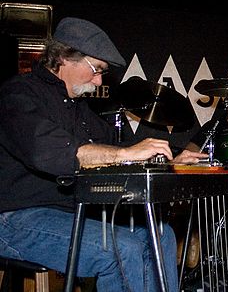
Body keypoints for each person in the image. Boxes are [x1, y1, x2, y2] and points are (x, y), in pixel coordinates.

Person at [0, 17, 207, 292]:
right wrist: (126, 153)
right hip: (16, 219)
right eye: (96, 69)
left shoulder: (79, 109)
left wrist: (172, 156)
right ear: (63, 57)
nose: (98, 81)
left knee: (162, 234)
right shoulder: (18, 93)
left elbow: (113, 145)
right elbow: (45, 150)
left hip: (71, 214)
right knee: (124, 249)